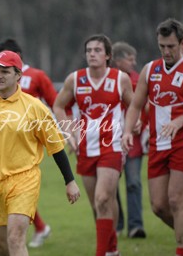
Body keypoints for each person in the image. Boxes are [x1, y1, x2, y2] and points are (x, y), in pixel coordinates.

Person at [0, 50, 80, 256]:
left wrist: (70, 180)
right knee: (0, 246)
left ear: (18, 75)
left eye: (5, 71)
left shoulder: (34, 107)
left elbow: (56, 146)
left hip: (24, 179)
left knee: (15, 238)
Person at [53, 34, 133, 256]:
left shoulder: (120, 79)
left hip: (112, 146)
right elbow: (58, 106)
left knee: (103, 198)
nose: (92, 54)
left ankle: (101, 253)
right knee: (98, 204)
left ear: (108, 55)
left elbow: (134, 106)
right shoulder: (75, 79)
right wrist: (70, 132)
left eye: (97, 50)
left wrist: (129, 130)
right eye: (89, 50)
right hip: (86, 148)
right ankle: (113, 249)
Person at [122, 18, 183, 256]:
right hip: (158, 143)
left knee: (176, 199)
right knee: (159, 205)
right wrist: (126, 131)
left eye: (171, 46)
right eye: (162, 46)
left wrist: (182, 119)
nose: (166, 51)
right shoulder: (150, 69)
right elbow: (135, 105)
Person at [0, 38, 58, 248]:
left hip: (27, 141)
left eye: (5, 67)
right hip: (1, 142)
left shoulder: (37, 76)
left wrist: (63, 128)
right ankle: (40, 227)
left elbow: (54, 101)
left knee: (20, 186)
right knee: (11, 191)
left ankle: (38, 228)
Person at [111, 42, 147, 238]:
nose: (134, 62)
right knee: (111, 184)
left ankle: (136, 226)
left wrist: (143, 123)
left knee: (133, 182)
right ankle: (116, 226)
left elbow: (145, 106)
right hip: (111, 141)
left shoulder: (138, 79)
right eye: (130, 59)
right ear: (117, 60)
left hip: (134, 141)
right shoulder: (109, 80)